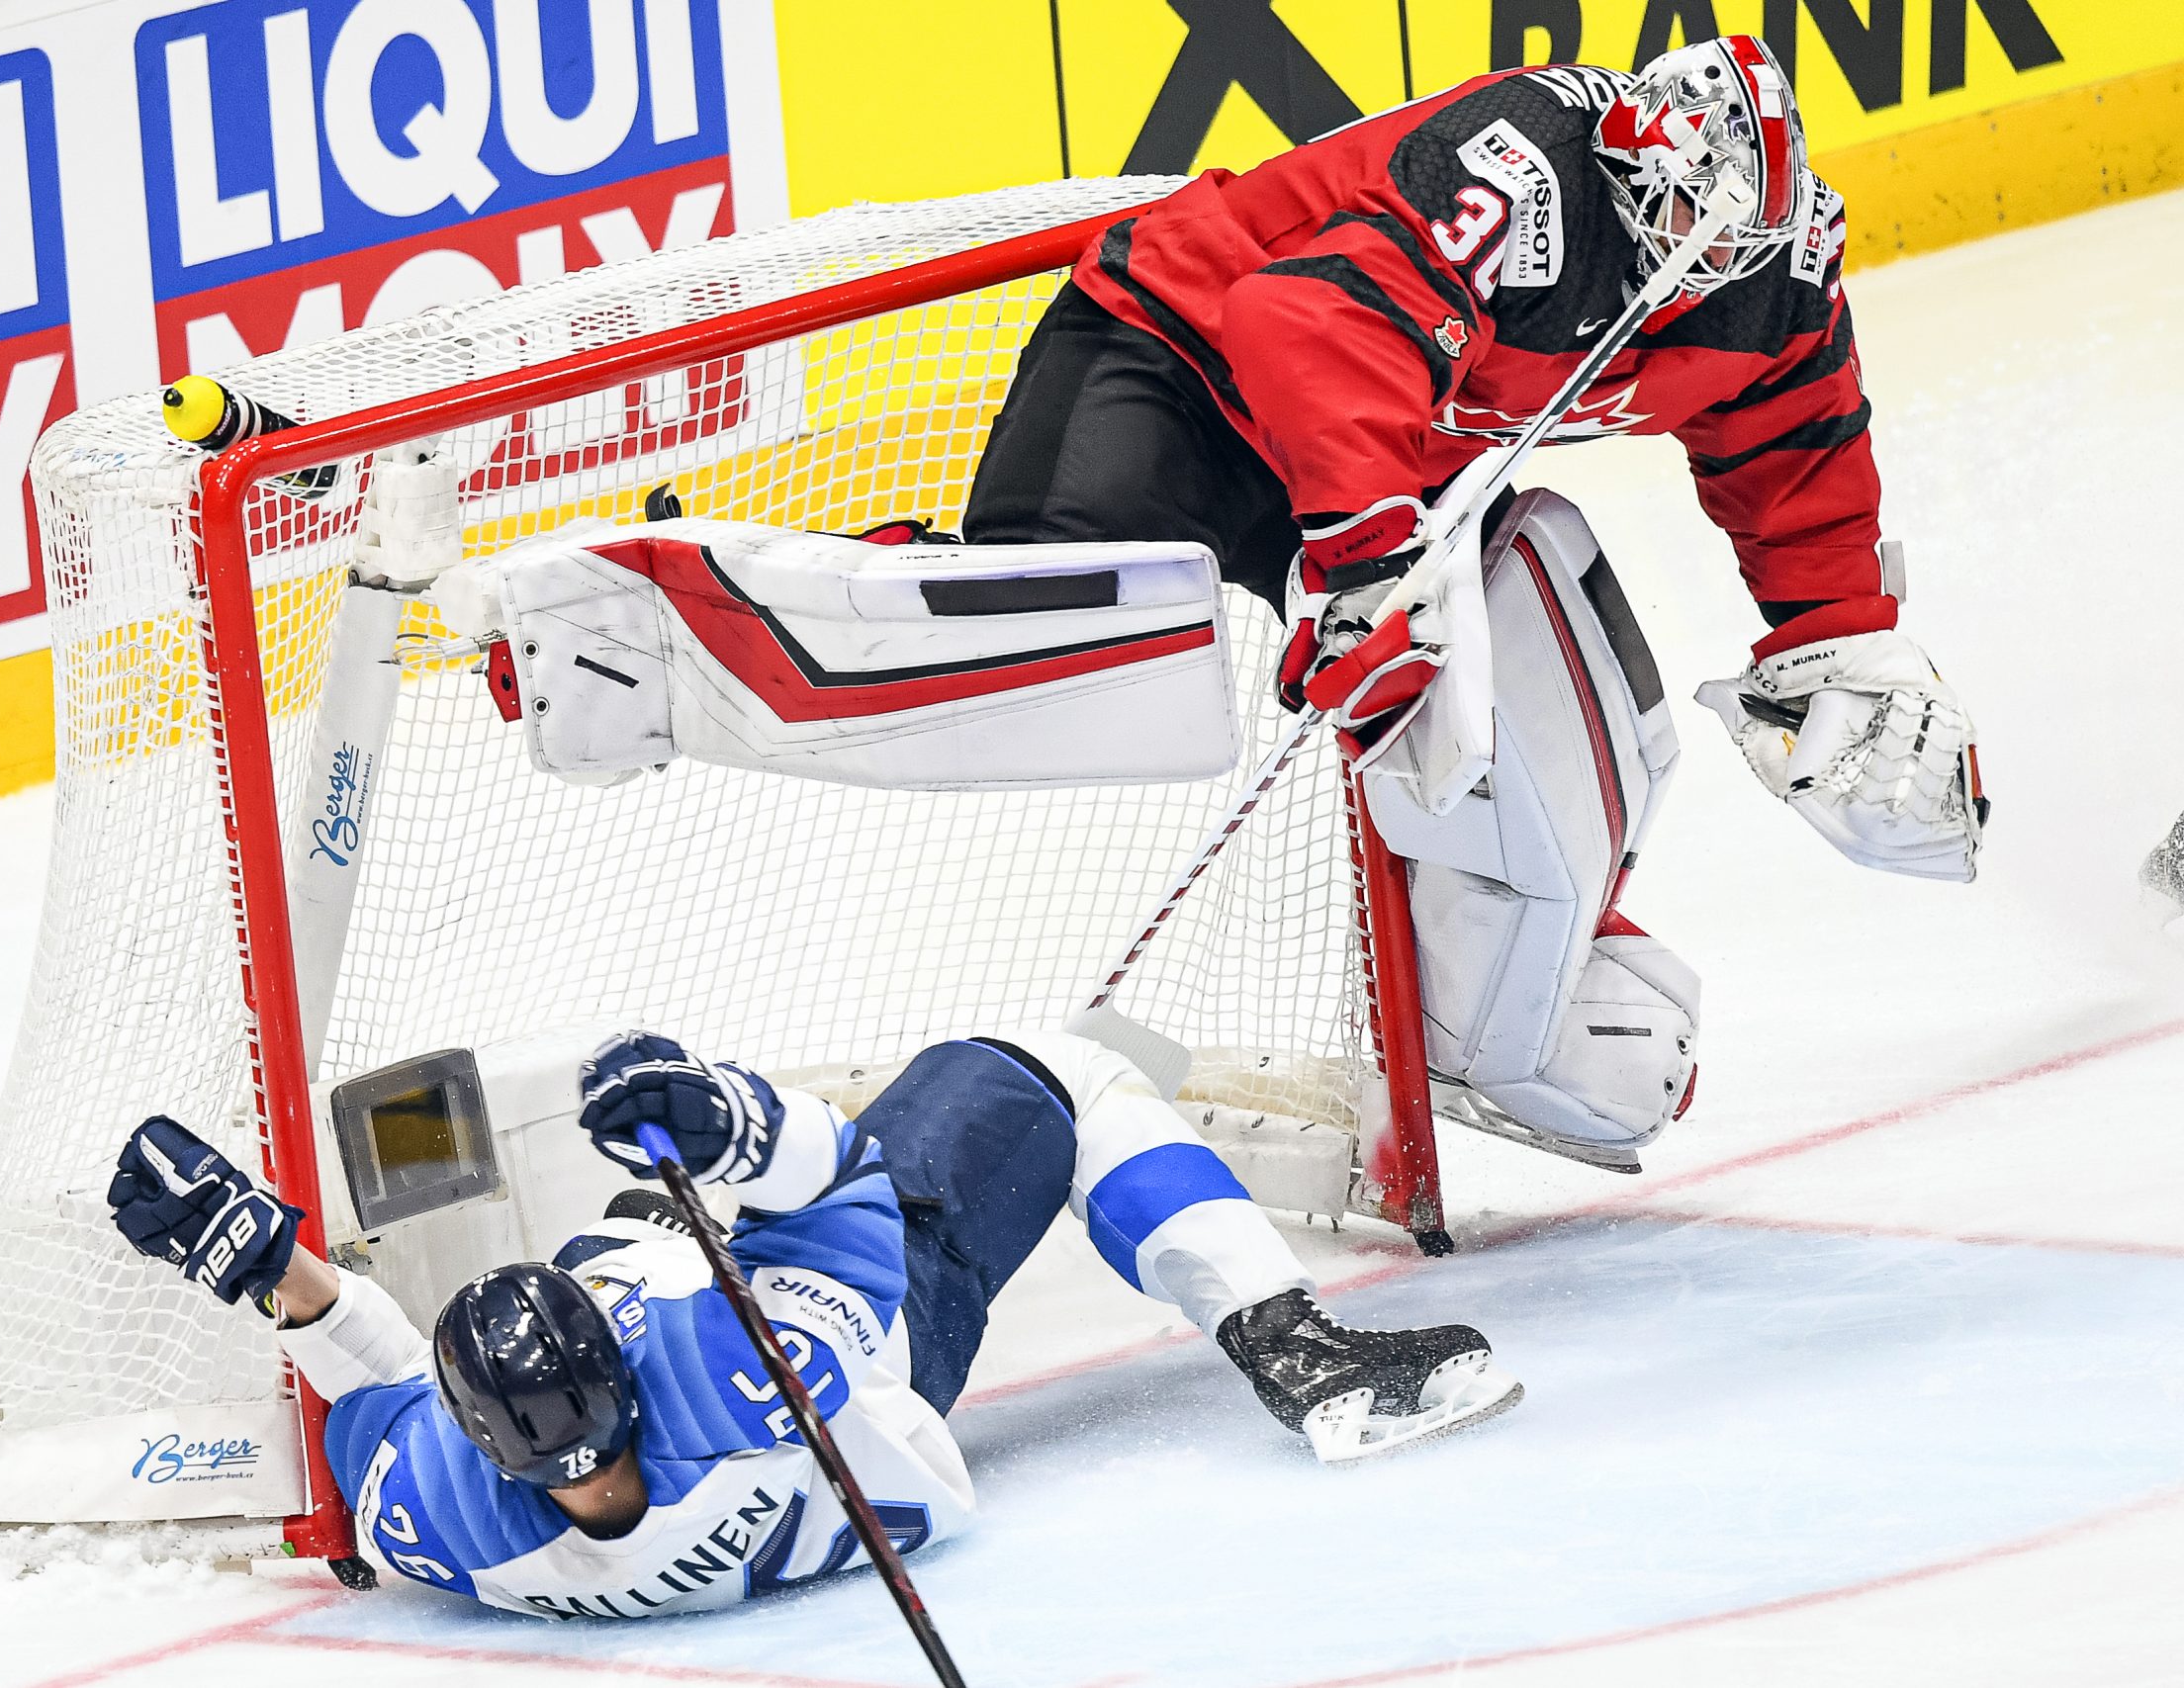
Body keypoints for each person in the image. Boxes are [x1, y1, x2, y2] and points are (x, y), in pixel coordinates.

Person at [961, 35, 1984, 1167]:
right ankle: (873, 573)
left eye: (1731, 254)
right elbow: (1301, 319)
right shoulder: (1522, 167)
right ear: (1626, 166)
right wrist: (1363, 559)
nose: (1698, 276)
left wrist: (1835, 637)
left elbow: (1793, 447)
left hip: (1396, 460)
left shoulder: (1778, 276)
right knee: (1059, 638)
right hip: (1184, 359)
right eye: (1676, 239)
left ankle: (1495, 987)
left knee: (1503, 722)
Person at [106, 1029, 1519, 1616]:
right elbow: (836, 1182)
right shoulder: (744, 1378)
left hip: (813, 1445)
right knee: (1057, 1075)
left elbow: (389, 1384)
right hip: (890, 1351)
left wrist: (263, 1266)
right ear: (625, 1369)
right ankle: (1301, 1354)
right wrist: (732, 1118)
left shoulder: (461, 1527)